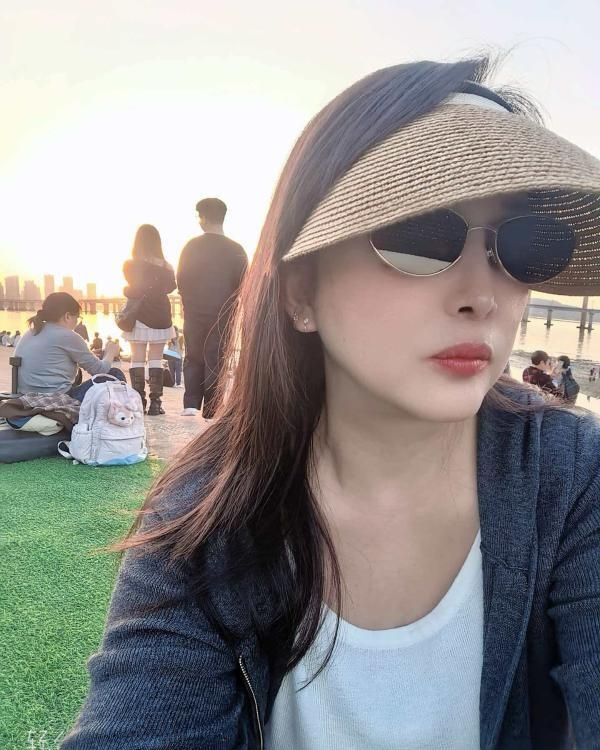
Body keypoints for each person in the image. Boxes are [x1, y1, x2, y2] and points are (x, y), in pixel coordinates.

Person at [60, 58, 600, 749]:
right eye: (419, 235)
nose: (480, 295)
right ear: (300, 293)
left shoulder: (570, 475)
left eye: (522, 247)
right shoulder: (207, 516)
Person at [176, 197, 247, 418]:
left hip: (195, 310)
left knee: (193, 355)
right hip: (224, 312)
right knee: (217, 356)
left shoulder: (191, 246)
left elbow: (182, 279)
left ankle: (191, 403)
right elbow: (244, 284)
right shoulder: (237, 249)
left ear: (204, 218)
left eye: (199, 217)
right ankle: (212, 408)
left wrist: (188, 302)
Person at [15, 292, 122, 401]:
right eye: (77, 317)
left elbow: (50, 358)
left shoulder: (30, 332)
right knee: (115, 374)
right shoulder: (68, 335)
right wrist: (111, 352)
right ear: (67, 316)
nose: (76, 322)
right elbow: (100, 370)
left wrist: (90, 354)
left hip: (24, 397)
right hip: (56, 399)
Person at [121, 224, 176, 415]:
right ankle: (156, 404)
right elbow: (170, 288)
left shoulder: (130, 265)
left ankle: (138, 403)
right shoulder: (166, 266)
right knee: (156, 359)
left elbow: (133, 286)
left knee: (137, 358)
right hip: (160, 315)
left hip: (138, 316)